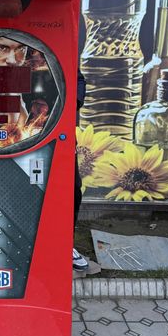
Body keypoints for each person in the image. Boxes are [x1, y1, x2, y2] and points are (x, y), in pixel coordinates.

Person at [73, 69, 89, 270]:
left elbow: (78, 80)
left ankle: (65, 243)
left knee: (72, 190)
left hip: (54, 128)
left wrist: (71, 102)